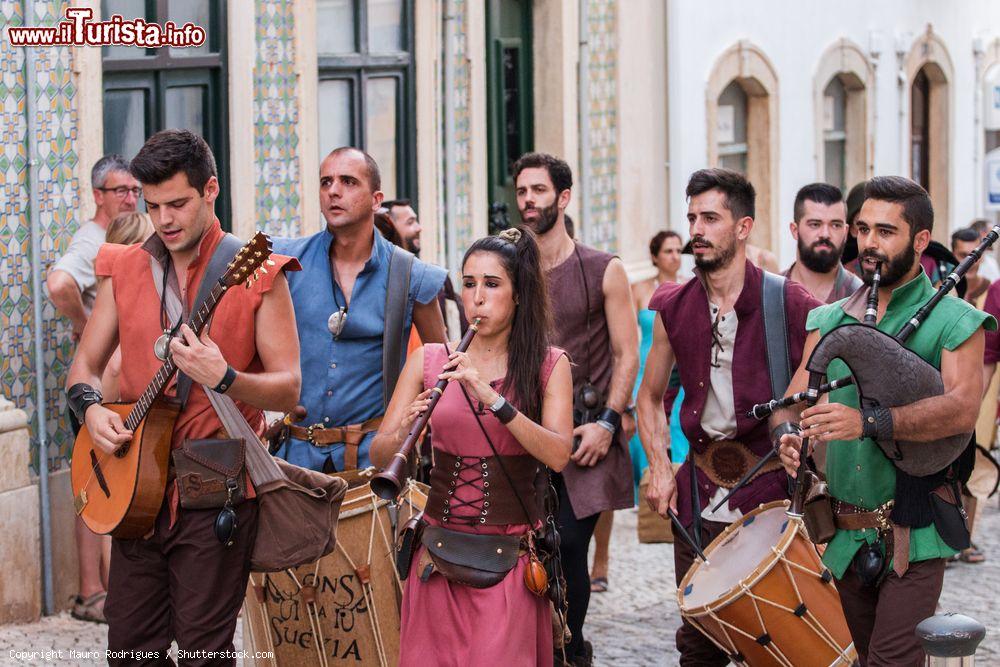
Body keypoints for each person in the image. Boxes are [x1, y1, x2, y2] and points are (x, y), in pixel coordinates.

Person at [66, 129, 302, 663]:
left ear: (211, 189)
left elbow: (289, 388)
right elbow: (83, 366)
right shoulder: (122, 267)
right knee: (129, 649)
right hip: (133, 493)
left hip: (212, 494)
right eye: (153, 206)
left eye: (178, 203)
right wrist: (91, 408)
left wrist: (226, 378)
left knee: (204, 654)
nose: (165, 220)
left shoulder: (260, 272)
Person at [777, 176, 994, 666]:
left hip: (913, 532)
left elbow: (962, 407)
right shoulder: (829, 319)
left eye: (886, 231)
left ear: (920, 240)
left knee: (890, 661)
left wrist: (869, 421)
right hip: (843, 530)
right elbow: (794, 400)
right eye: (863, 229)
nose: (870, 243)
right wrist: (789, 436)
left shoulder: (956, 320)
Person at [636, 168, 820, 666]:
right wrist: (657, 466)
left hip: (771, 489)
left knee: (779, 638)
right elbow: (649, 398)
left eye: (710, 218)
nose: (696, 228)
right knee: (699, 641)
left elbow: (822, 394)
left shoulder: (791, 303)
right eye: (692, 217)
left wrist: (801, 438)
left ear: (742, 227)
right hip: (696, 490)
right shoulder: (674, 306)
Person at [372, 226, 574, 666]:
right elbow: (380, 454)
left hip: (509, 563)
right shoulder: (428, 360)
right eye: (468, 283)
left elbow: (559, 453)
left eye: (492, 284)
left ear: (518, 294)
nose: (476, 297)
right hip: (437, 558)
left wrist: (494, 399)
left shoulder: (548, 364)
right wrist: (404, 429)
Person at [513, 152, 638, 666]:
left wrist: (609, 423)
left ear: (563, 198)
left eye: (538, 191)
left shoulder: (602, 269)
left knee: (565, 544)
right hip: (522, 435)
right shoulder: (507, 268)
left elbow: (627, 352)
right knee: (525, 551)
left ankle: (571, 647)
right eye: (521, 191)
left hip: (587, 438)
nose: (528, 201)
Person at [271, 148, 448, 474]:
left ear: (376, 199)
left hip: (371, 466)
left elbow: (442, 372)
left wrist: (408, 434)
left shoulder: (411, 275)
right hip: (292, 463)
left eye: (348, 181)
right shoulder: (285, 261)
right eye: (326, 182)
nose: (333, 191)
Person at [47, 154, 139, 624]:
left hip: (100, 380)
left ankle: (94, 592)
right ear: (98, 195)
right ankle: (98, 592)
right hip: (95, 384)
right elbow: (59, 283)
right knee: (99, 489)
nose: (129, 197)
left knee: (94, 484)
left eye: (134, 190)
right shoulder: (92, 242)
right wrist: (90, 331)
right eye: (120, 190)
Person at [590, 230, 687, 595]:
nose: (676, 257)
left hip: (676, 381)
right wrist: (627, 398)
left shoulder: (689, 288)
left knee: (680, 453)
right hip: (643, 379)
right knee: (629, 465)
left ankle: (678, 533)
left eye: (680, 251)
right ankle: (614, 548)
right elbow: (627, 341)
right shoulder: (641, 289)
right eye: (669, 251)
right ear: (656, 256)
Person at [954, 226, 994, 565]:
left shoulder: (988, 290)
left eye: (976, 253)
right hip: (958, 379)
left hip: (982, 379)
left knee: (976, 462)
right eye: (964, 253)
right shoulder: (946, 287)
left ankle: (966, 537)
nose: (972, 260)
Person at [784, 183, 862, 304]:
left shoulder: (860, 298)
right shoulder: (770, 292)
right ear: (795, 230)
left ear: (846, 232)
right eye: (815, 224)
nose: (825, 234)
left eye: (835, 225)